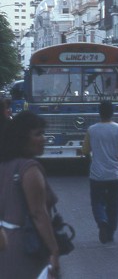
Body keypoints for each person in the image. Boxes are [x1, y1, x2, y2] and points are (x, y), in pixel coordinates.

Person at [0, 111, 60, 279]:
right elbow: (38, 213)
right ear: (22, 138)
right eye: (38, 134)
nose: (43, 139)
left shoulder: (4, 165)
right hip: (26, 247)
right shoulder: (29, 169)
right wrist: (54, 250)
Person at [82, 100, 118, 244]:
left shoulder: (92, 130)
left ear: (99, 113)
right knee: (113, 205)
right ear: (112, 113)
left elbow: (85, 151)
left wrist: (91, 161)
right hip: (114, 173)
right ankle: (111, 232)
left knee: (97, 202)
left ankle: (102, 221)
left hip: (97, 174)